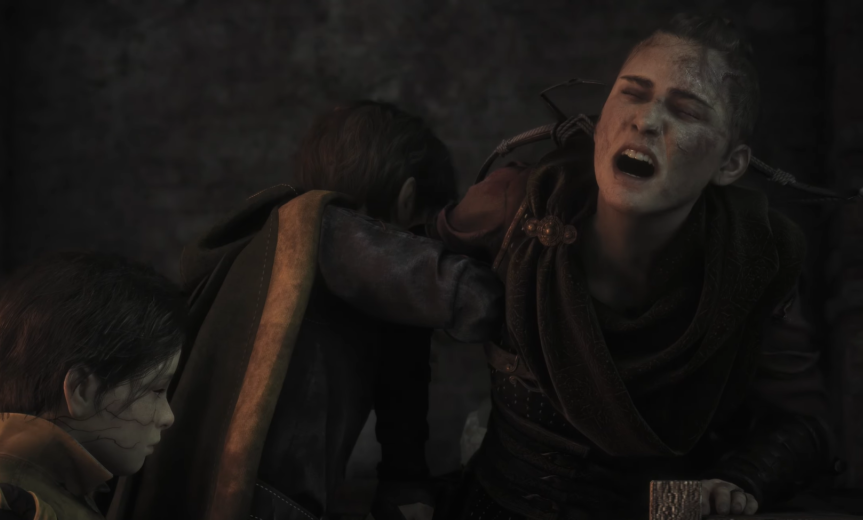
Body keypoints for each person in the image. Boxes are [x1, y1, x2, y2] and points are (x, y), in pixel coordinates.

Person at [432, 14, 832, 519]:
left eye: (686, 110)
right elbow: (396, 300)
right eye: (632, 93)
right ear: (601, 117)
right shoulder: (514, 205)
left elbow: (806, 424)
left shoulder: (758, 262)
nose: (646, 120)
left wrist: (736, 481)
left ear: (730, 164)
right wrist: (401, 474)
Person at [116, 103, 504, 520]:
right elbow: (477, 299)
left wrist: (405, 479)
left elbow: (400, 362)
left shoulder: (272, 250)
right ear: (407, 199)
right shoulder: (327, 231)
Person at [0, 252, 188, 520]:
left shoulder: (37, 499)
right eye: (156, 390)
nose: (168, 417)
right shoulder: (4, 511)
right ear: (82, 390)